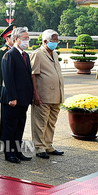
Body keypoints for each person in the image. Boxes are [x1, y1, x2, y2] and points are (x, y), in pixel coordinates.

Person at [0, 27, 33, 163]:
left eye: (27, 38)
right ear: (16, 39)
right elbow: (8, 79)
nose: (27, 40)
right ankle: (9, 154)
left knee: (19, 126)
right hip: (12, 99)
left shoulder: (25, 55)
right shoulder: (9, 54)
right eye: (24, 38)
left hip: (23, 99)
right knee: (10, 127)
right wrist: (13, 97)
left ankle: (17, 151)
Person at [30, 29, 65, 159]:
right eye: (53, 40)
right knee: (40, 122)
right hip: (43, 95)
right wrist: (36, 95)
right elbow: (33, 75)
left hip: (56, 95)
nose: (55, 43)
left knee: (51, 122)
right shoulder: (37, 54)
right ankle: (39, 147)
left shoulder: (54, 54)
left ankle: (48, 145)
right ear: (45, 41)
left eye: (56, 40)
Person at [0, 25, 15, 98]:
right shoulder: (2, 52)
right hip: (5, 87)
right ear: (7, 38)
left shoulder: (15, 51)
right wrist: (2, 88)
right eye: (13, 37)